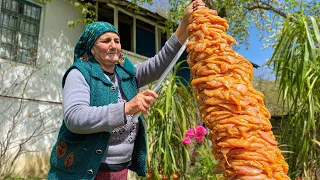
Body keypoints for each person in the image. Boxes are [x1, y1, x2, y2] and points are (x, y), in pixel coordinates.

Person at [48, 1, 206, 179]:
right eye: (106, 41)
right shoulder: (79, 74)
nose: (113, 45)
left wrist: (184, 23)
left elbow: (161, 62)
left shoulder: (127, 74)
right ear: (92, 48)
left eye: (117, 40)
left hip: (119, 171)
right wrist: (126, 108)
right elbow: (75, 118)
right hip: (85, 171)